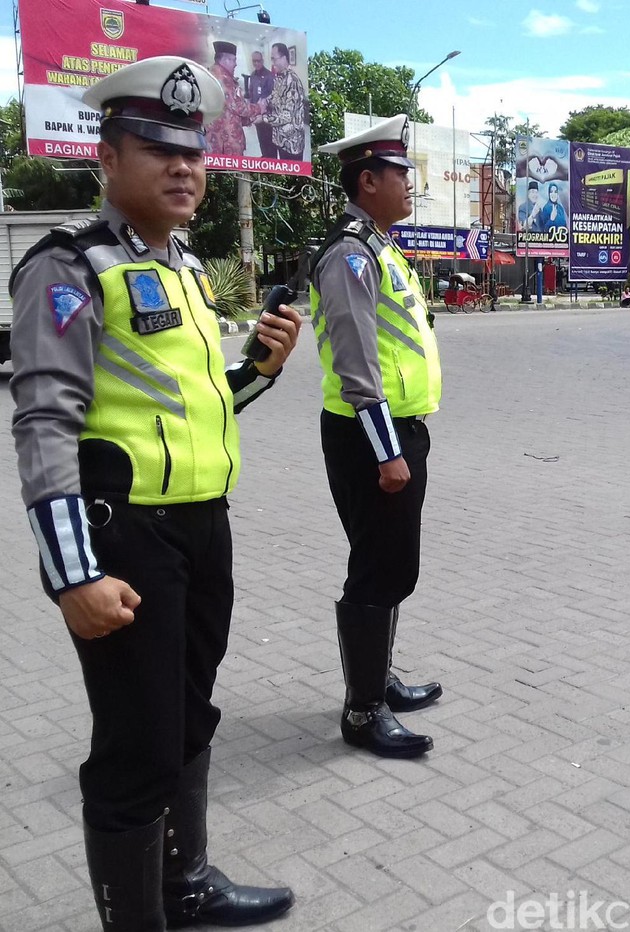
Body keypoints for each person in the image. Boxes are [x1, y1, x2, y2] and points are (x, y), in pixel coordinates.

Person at [9, 56, 301, 931]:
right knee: (136, 745)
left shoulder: (188, 271)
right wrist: (72, 577)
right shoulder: (66, 269)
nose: (184, 168)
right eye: (156, 149)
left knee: (189, 715)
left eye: (195, 154)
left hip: (203, 530)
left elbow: (203, 405)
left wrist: (260, 367)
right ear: (106, 158)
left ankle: (186, 884)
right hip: (124, 538)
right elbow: (44, 426)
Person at [309, 114, 443, 760]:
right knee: (377, 569)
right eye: (400, 173)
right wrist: (388, 450)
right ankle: (362, 710)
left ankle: (377, 679)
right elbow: (358, 363)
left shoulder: (378, 248)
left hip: (394, 434)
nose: (409, 183)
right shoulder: (349, 255)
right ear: (368, 181)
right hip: (371, 440)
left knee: (394, 566)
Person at [207, 40, 261, 156]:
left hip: (216, 141)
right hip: (226, 146)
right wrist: (259, 108)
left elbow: (227, 112)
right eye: (234, 60)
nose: (236, 64)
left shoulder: (212, 73)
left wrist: (249, 120)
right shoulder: (224, 78)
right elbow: (238, 107)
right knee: (228, 174)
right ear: (226, 59)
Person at [258, 43, 305, 160]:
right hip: (280, 139)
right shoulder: (280, 77)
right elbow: (275, 96)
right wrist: (264, 102)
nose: (273, 63)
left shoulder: (292, 81)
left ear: (284, 58)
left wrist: (263, 118)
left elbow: (287, 116)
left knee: (292, 178)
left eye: (274, 59)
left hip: (291, 144)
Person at [248, 49, 275, 157]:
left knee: (269, 138)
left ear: (262, 61)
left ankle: (271, 159)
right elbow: (251, 93)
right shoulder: (253, 75)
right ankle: (265, 155)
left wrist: (264, 105)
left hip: (267, 114)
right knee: (260, 137)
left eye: (258, 61)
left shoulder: (269, 75)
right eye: (254, 61)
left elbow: (273, 95)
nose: (256, 63)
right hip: (256, 114)